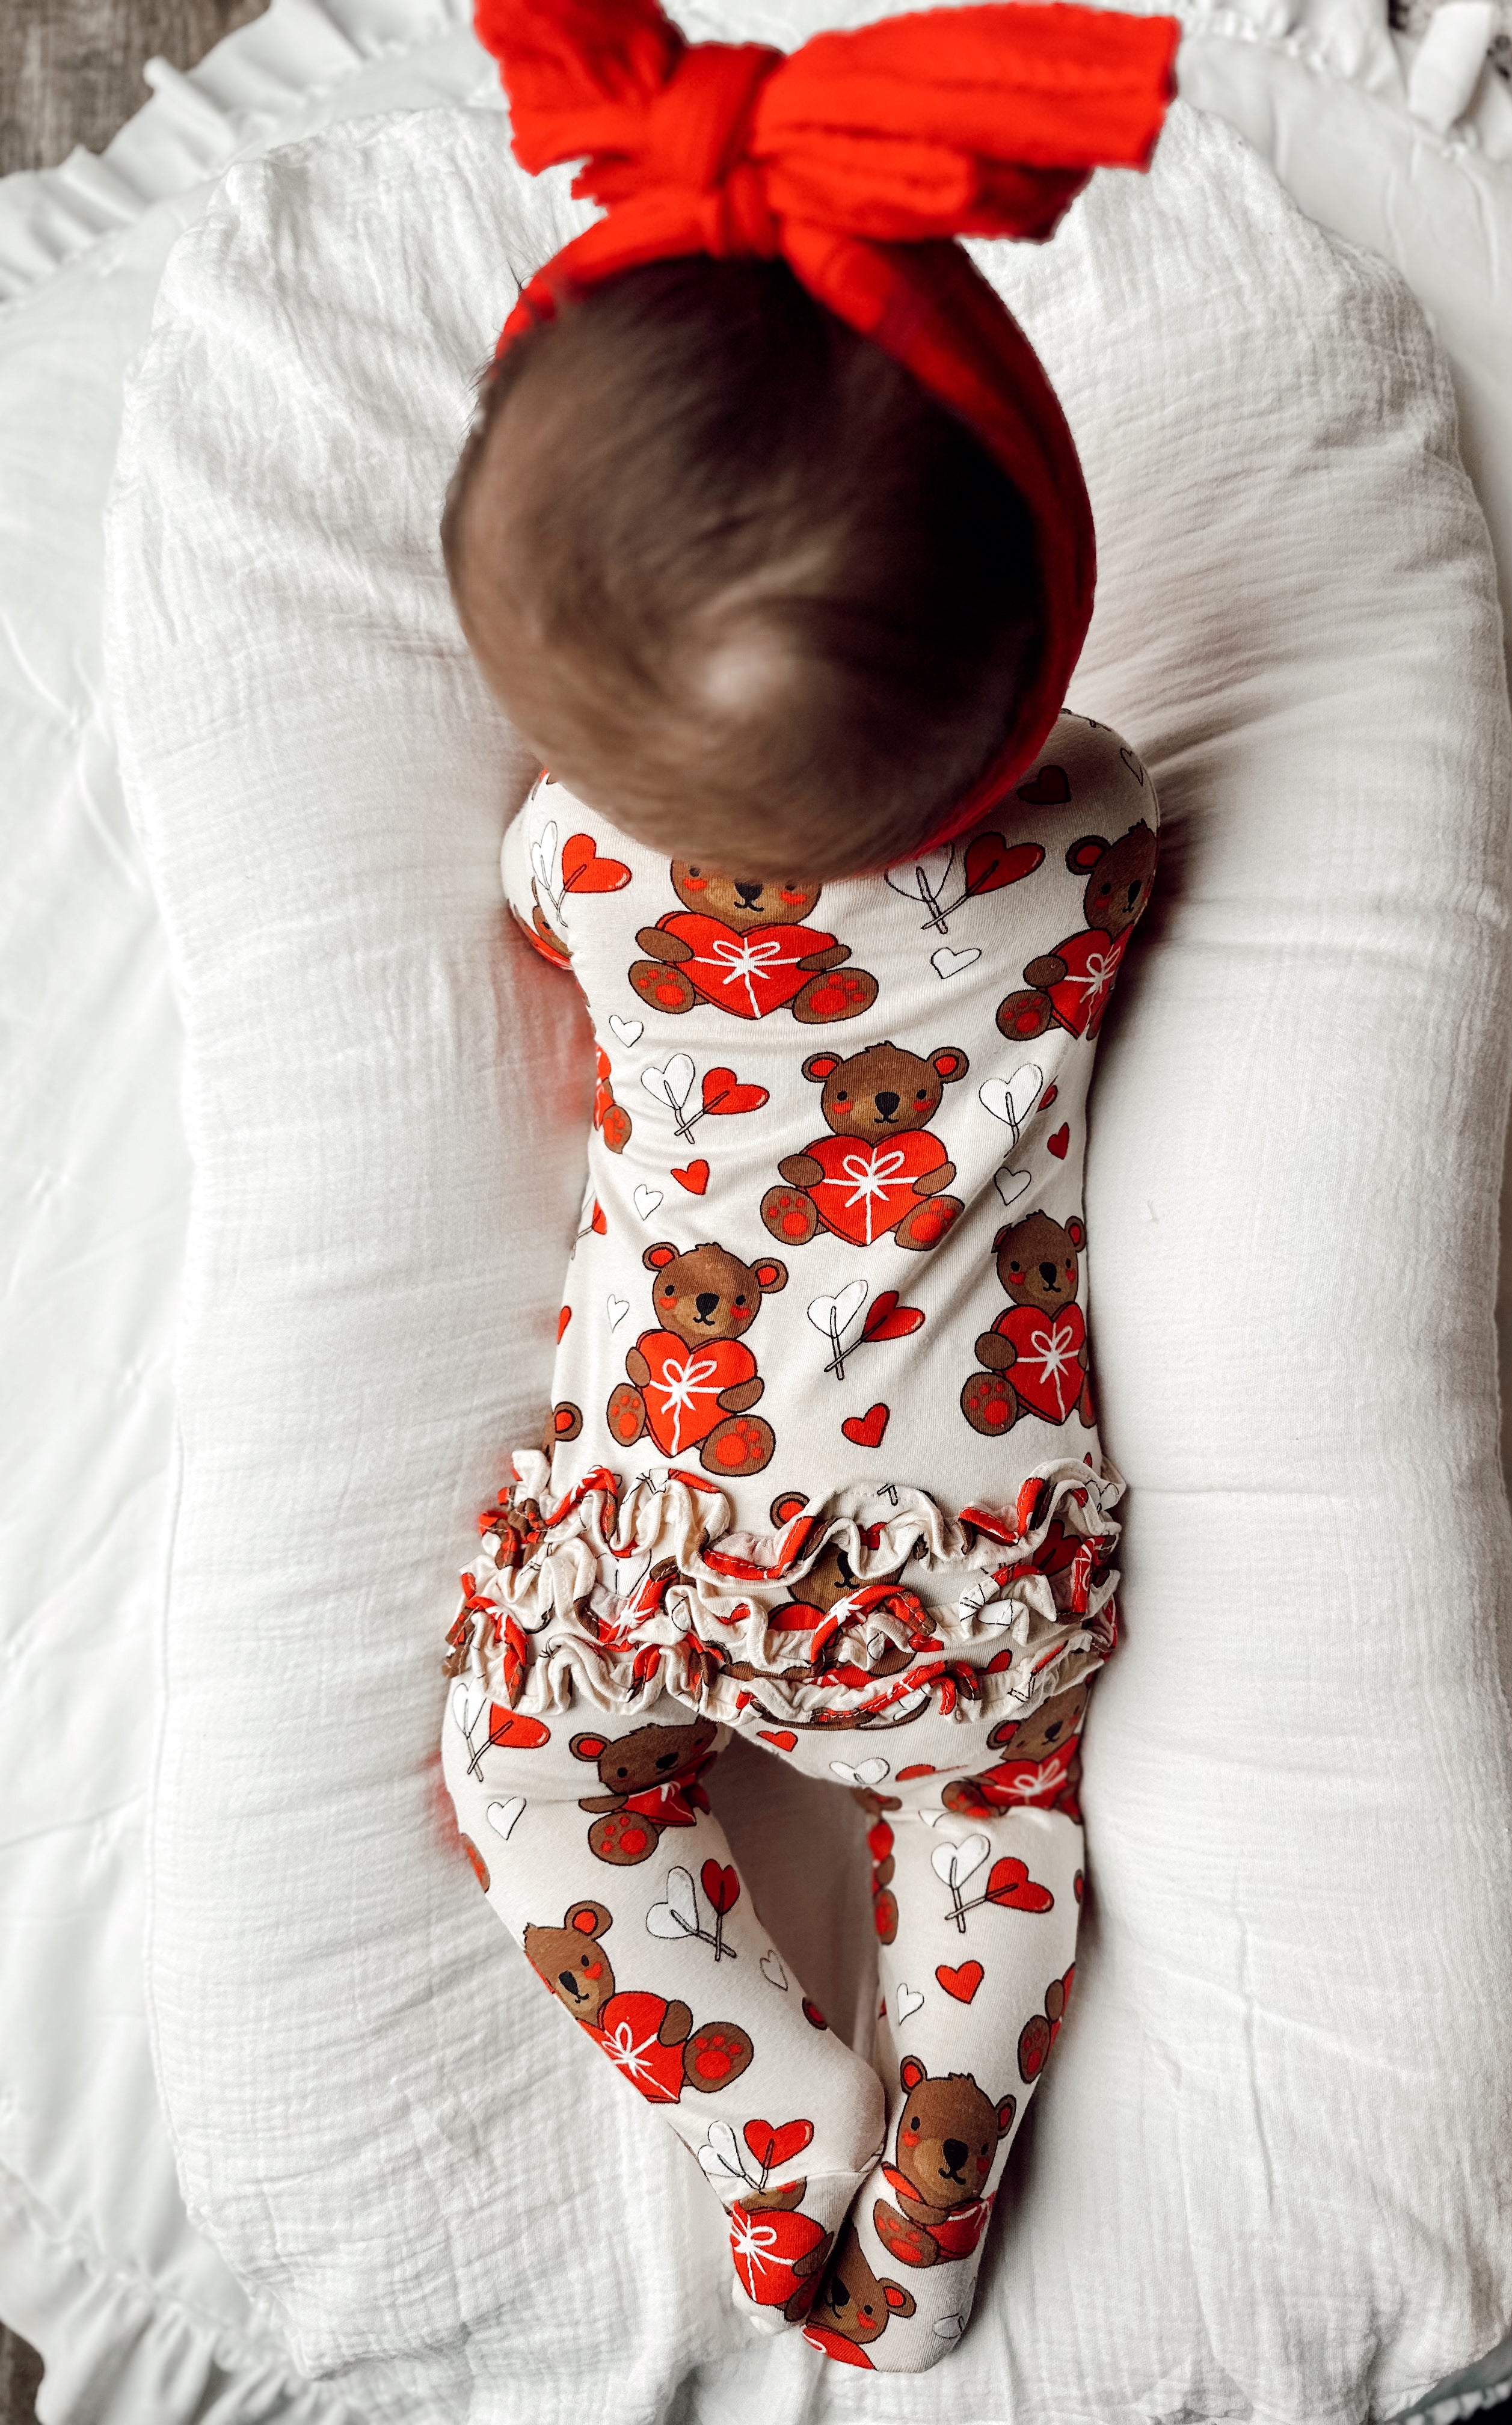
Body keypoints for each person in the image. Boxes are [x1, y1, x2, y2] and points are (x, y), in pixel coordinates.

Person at [435, 0, 1178, 2371]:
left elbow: (579, 866)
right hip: (972, 1558)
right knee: (993, 1831)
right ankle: (937, 2168)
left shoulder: (579, 864)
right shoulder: (1095, 837)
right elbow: (1061, 775)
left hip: (659, 1529)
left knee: (520, 1781)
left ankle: (771, 2113)